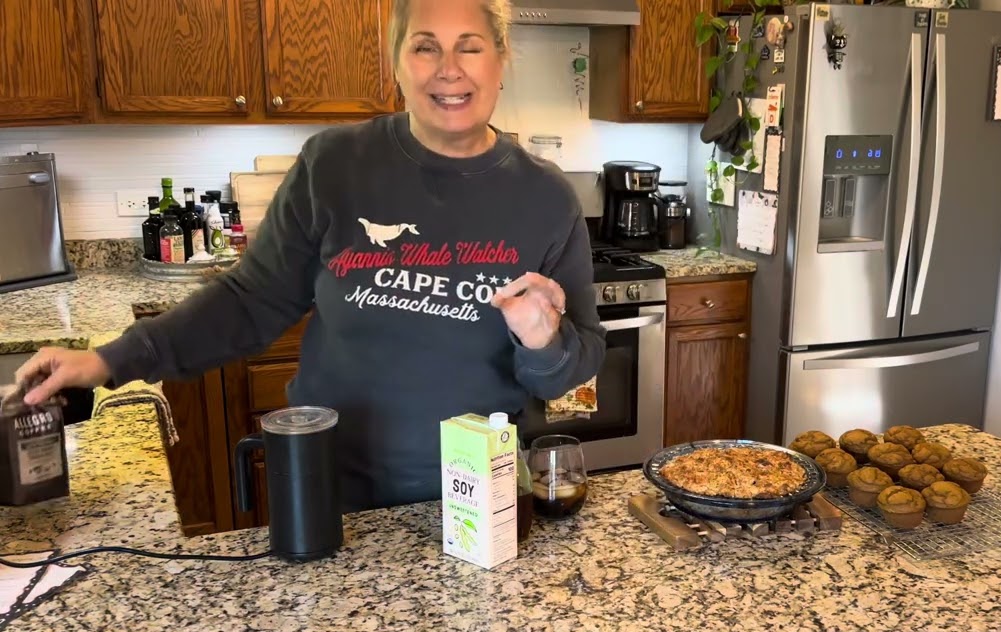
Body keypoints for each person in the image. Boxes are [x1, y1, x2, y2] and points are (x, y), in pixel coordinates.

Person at [15, 0, 605, 513]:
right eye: (425, 46)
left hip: (482, 500)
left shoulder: (546, 198)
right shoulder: (335, 166)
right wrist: (109, 360)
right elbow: (248, 301)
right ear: (396, 60)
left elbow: (574, 367)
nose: (448, 68)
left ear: (500, 59)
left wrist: (544, 342)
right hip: (332, 487)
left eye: (469, 47)